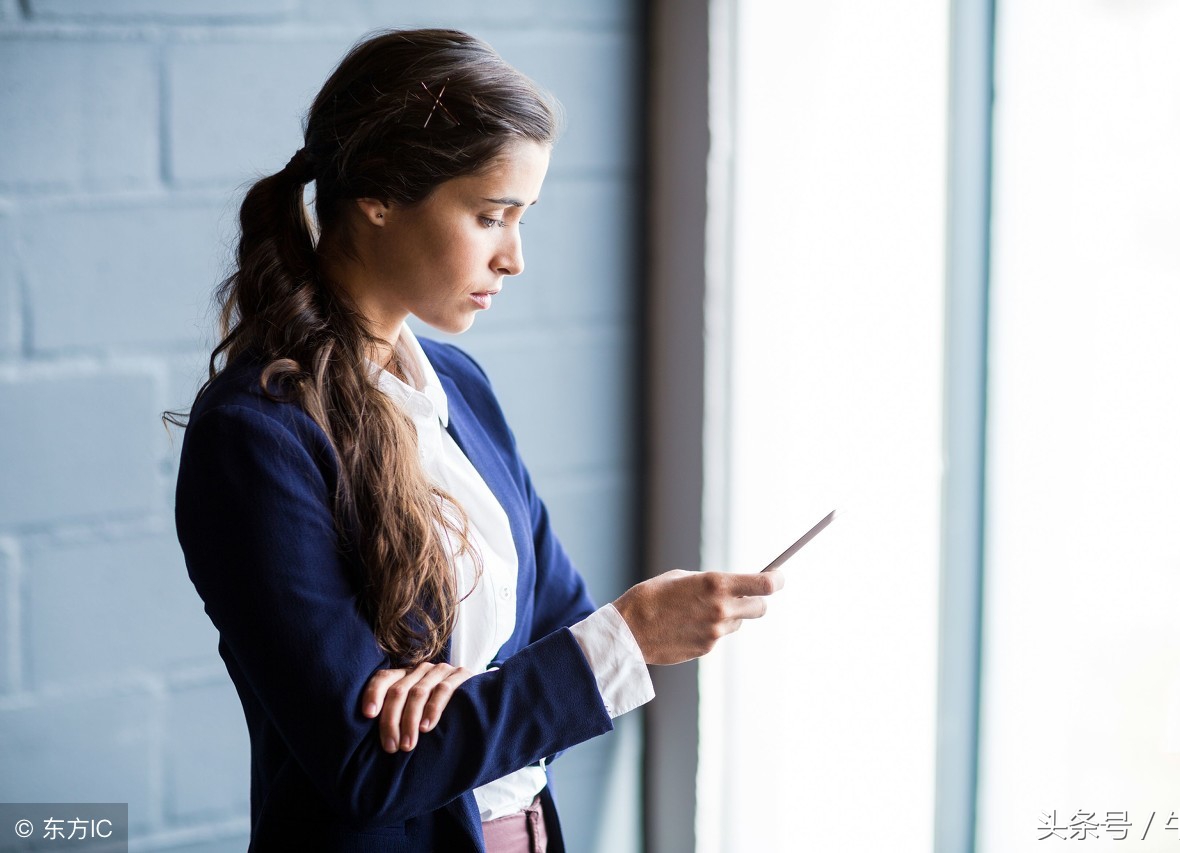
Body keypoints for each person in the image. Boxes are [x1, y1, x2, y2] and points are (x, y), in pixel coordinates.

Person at [171, 28, 783, 853]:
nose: (515, 257)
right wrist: (620, 640)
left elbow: (556, 637)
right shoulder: (255, 437)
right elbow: (368, 769)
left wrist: (478, 694)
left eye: (522, 217)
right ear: (380, 194)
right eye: (491, 214)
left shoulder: (460, 388)